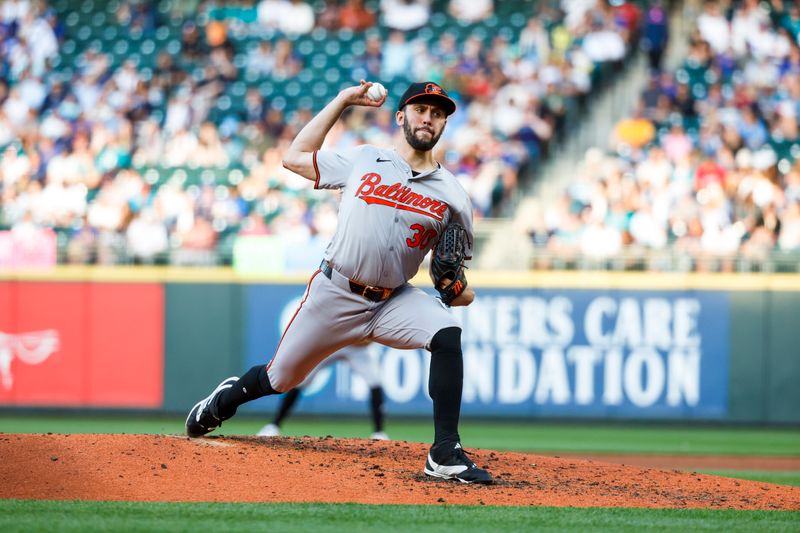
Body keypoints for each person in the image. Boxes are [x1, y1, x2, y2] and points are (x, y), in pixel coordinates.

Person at [185, 80, 493, 484]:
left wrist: (457, 291)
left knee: (447, 331)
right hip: (336, 290)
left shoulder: (453, 195)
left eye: (437, 113)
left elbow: (456, 283)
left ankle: (444, 452)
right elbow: (294, 157)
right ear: (401, 116)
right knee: (280, 378)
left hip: (392, 300)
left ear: (443, 125)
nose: (428, 118)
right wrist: (343, 100)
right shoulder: (365, 159)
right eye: (420, 110)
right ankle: (223, 401)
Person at [257, 342, 388, 440]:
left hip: (359, 349)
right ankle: (274, 425)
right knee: (302, 380)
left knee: (375, 381)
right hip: (332, 344)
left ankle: (379, 432)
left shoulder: (376, 307)